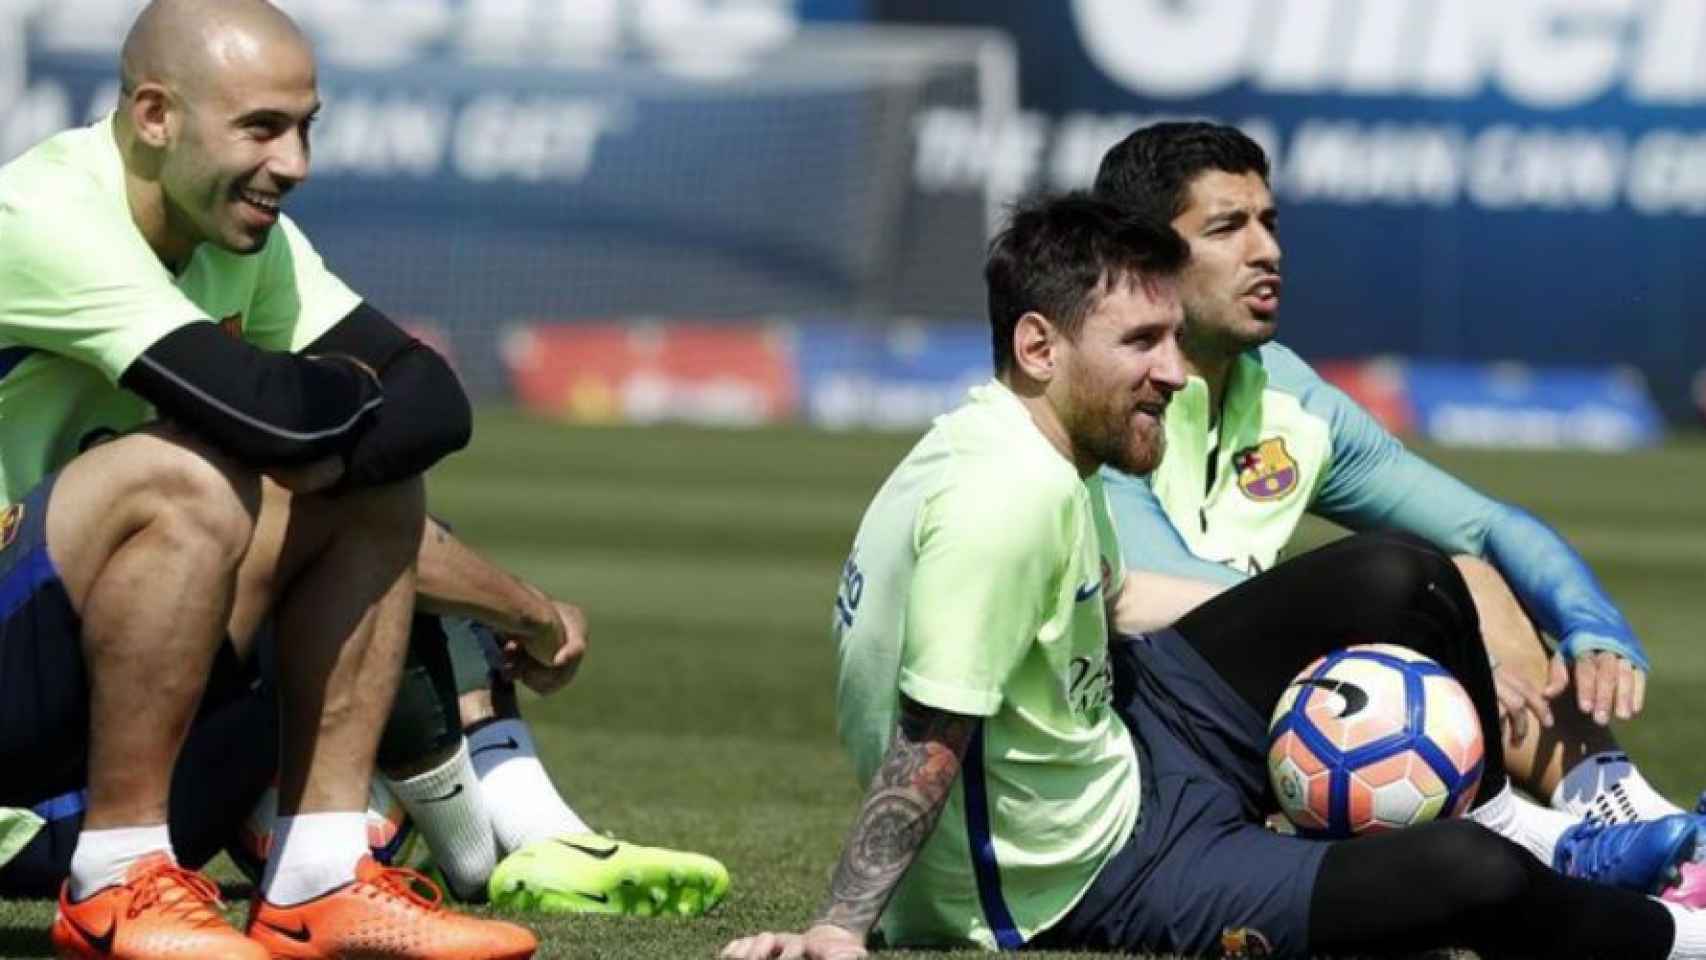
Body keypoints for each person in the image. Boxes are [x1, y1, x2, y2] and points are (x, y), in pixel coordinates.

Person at [720, 193, 1706, 959]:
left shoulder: (1012, 444)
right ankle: (1677, 933)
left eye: (1170, 339)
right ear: (1037, 345)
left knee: (1396, 581)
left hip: (1127, 738)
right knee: (1470, 880)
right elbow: (927, 742)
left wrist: (1319, 649)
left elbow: (1108, 601)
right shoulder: (1004, 503)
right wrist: (843, 928)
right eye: (1140, 344)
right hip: (1090, 874)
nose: (1175, 373)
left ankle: (1528, 825)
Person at [0, 0, 538, 956]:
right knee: (183, 476)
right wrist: (301, 427)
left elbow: (432, 400)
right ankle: (116, 881)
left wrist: (313, 437)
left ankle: (318, 881)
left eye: (304, 127)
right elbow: (264, 416)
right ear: (156, 115)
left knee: (377, 485)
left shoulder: (250, 240)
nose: (294, 164)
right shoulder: (42, 215)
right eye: (261, 128)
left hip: (62, 708)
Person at [1089, 121, 1702, 840]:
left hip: (1251, 709)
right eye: (1228, 228)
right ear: (1142, 255)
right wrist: (1440, 661)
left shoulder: (1288, 395)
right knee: (1401, 607)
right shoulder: (1098, 386)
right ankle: (1544, 843)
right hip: (1130, 733)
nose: (1268, 251)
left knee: (1466, 578)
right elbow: (1158, 602)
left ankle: (1633, 817)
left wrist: (1589, 619)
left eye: (1269, 222)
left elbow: (1484, 526)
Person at [0, 524, 730, 919]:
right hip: (68, 821)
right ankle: (496, 850)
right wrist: (535, 614)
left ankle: (530, 839)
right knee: (375, 534)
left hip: (87, 791)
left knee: (370, 526)